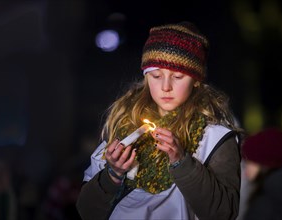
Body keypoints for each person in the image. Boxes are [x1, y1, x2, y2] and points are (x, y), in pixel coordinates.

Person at [76, 21, 243, 220]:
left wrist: (181, 162)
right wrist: (113, 175)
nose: (166, 87)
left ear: (196, 80)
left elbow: (224, 213)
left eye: (178, 76)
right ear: (146, 78)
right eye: (156, 75)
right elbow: (86, 211)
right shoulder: (124, 128)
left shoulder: (216, 139)